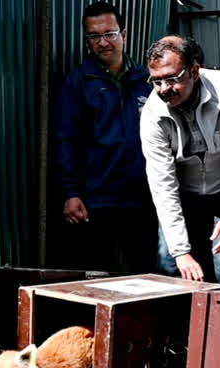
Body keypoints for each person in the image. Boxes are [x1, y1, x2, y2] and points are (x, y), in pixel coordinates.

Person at [140, 35, 220, 283]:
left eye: (172, 79)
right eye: (157, 81)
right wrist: (181, 251)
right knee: (169, 263)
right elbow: (162, 185)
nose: (164, 89)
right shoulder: (152, 114)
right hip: (185, 196)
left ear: (195, 71)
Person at [54, 1, 155, 273]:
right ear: (87, 40)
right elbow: (66, 140)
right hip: (96, 201)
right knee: (101, 276)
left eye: (109, 33)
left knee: (142, 275)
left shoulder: (147, 80)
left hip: (143, 198)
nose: (103, 42)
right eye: (94, 36)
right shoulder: (77, 83)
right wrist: (71, 193)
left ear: (124, 34)